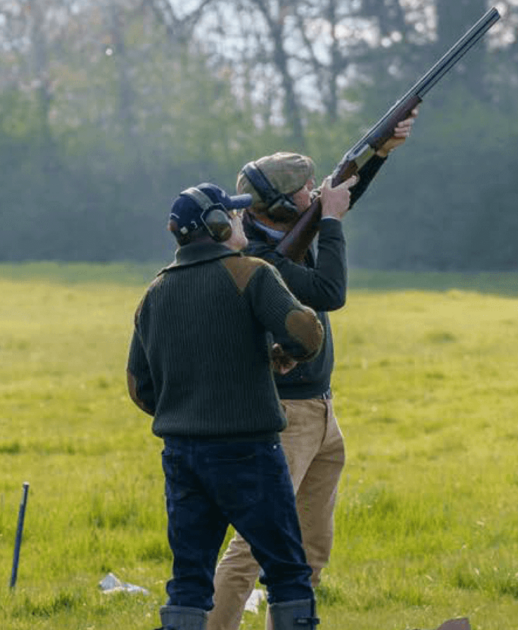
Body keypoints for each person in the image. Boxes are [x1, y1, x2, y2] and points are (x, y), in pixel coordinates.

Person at [206, 112, 416, 630]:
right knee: (254, 546)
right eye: (303, 190)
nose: (312, 192)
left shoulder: (284, 229)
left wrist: (380, 152)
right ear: (281, 206)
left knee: (309, 548)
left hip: (321, 412)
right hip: (285, 414)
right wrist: (333, 221)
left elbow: (337, 195)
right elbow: (330, 293)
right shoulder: (257, 256)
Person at [126, 183, 326, 630]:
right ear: (217, 226)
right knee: (288, 573)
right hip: (248, 450)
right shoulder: (250, 273)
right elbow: (306, 334)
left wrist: (190, 402)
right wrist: (281, 354)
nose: (239, 221)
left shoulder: (154, 293)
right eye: (231, 217)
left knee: (188, 580)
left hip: (181, 454)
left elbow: (141, 388)